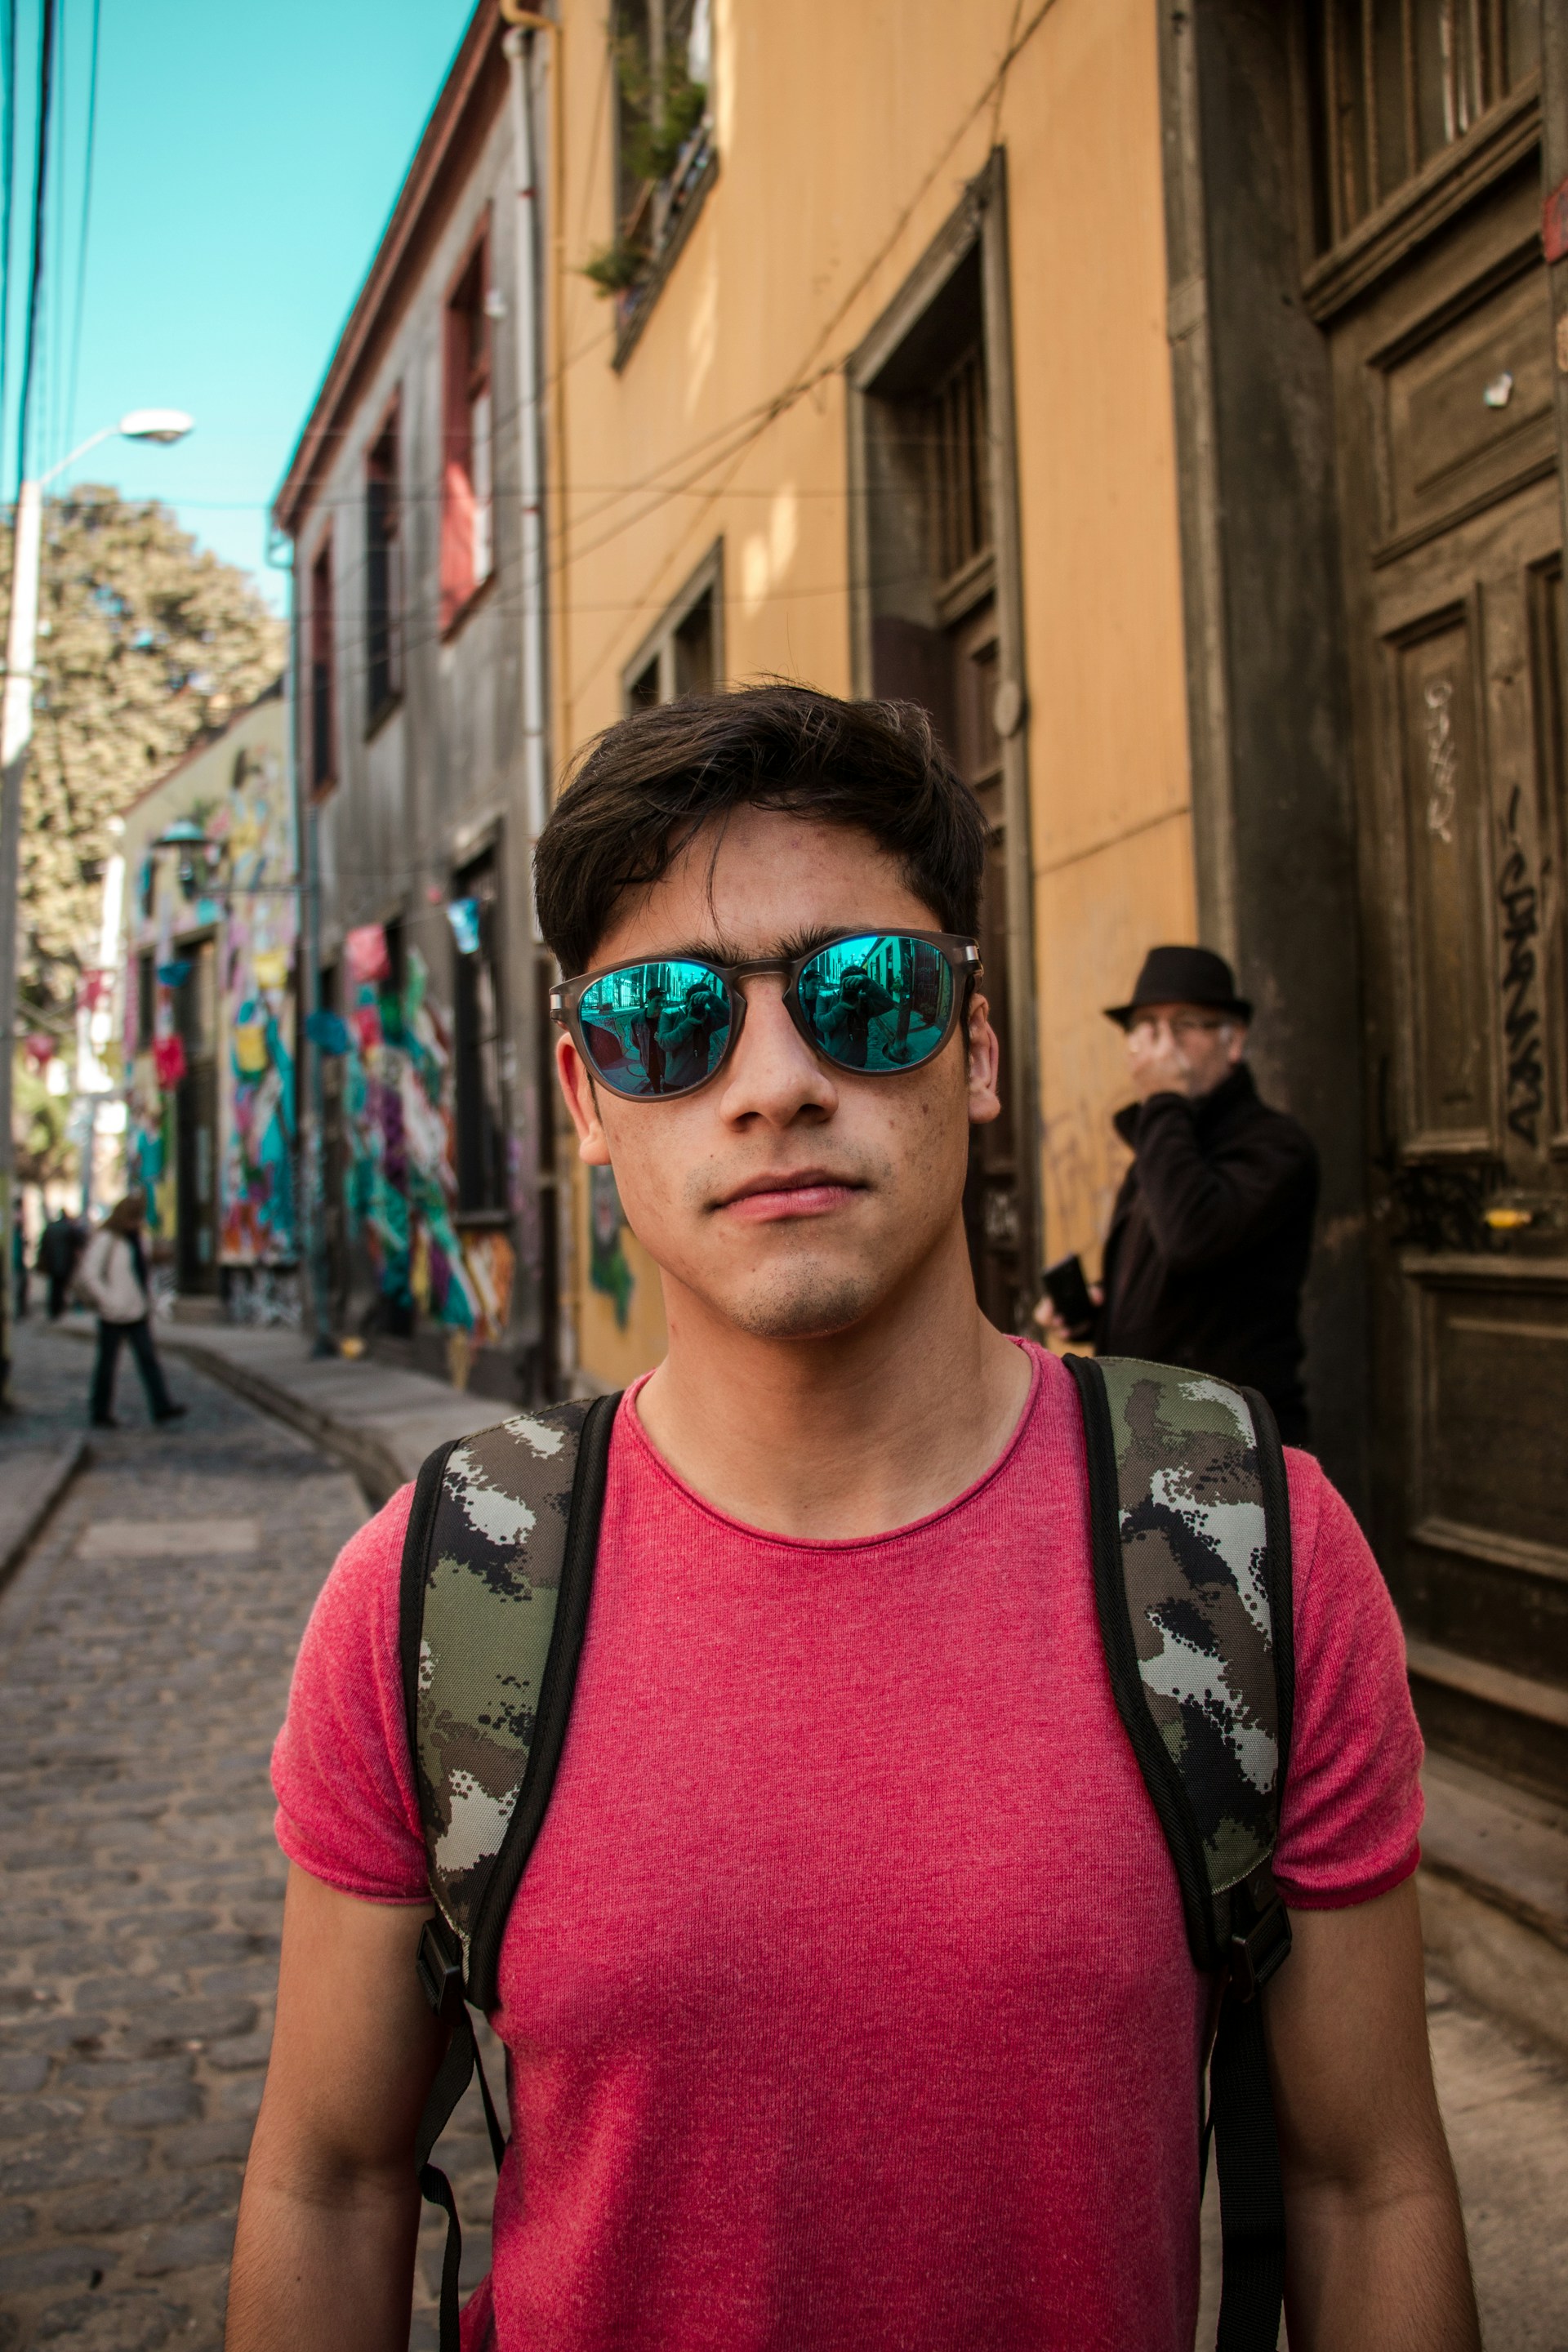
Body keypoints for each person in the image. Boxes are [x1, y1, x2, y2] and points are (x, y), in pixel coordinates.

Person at [229, 688, 1477, 2352]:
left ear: (971, 1050)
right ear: (590, 1098)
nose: (776, 1084)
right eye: (671, 1022)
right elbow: (327, 2177)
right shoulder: (446, 1589)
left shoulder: (1249, 1549)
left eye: (862, 995)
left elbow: (1364, 2181)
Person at [1042, 945, 1319, 1446]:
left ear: (1234, 1042)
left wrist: (1164, 1100)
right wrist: (1101, 1311)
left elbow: (1193, 1236)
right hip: (1146, 1433)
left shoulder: (1275, 1146)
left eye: (1185, 1024)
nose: (1162, 1044)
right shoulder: (1164, 1139)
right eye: (1147, 1026)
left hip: (1230, 1445)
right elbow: (1171, 1276)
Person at [76, 1191, 186, 1429]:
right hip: (114, 1313)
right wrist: (108, 1300)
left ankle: (162, 1406)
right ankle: (100, 1411)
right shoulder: (108, 1239)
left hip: (137, 1311)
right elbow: (90, 1274)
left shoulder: (137, 1240)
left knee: (149, 1360)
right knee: (107, 1364)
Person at [35, 1206, 83, 1320]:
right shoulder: (69, 1229)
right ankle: (58, 1309)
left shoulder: (51, 1228)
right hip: (65, 1262)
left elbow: (43, 1245)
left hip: (52, 1262)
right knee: (61, 1287)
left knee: (54, 1287)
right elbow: (78, 1243)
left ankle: (53, 1309)